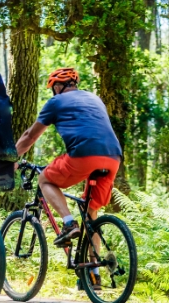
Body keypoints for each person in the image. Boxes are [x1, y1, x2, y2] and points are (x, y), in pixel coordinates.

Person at [15, 68, 122, 247]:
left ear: (57, 87)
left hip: (84, 154)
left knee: (45, 180)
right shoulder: (95, 99)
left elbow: (29, 137)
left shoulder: (56, 102)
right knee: (91, 213)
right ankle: (93, 270)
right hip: (113, 157)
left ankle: (69, 223)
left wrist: (11, 160)